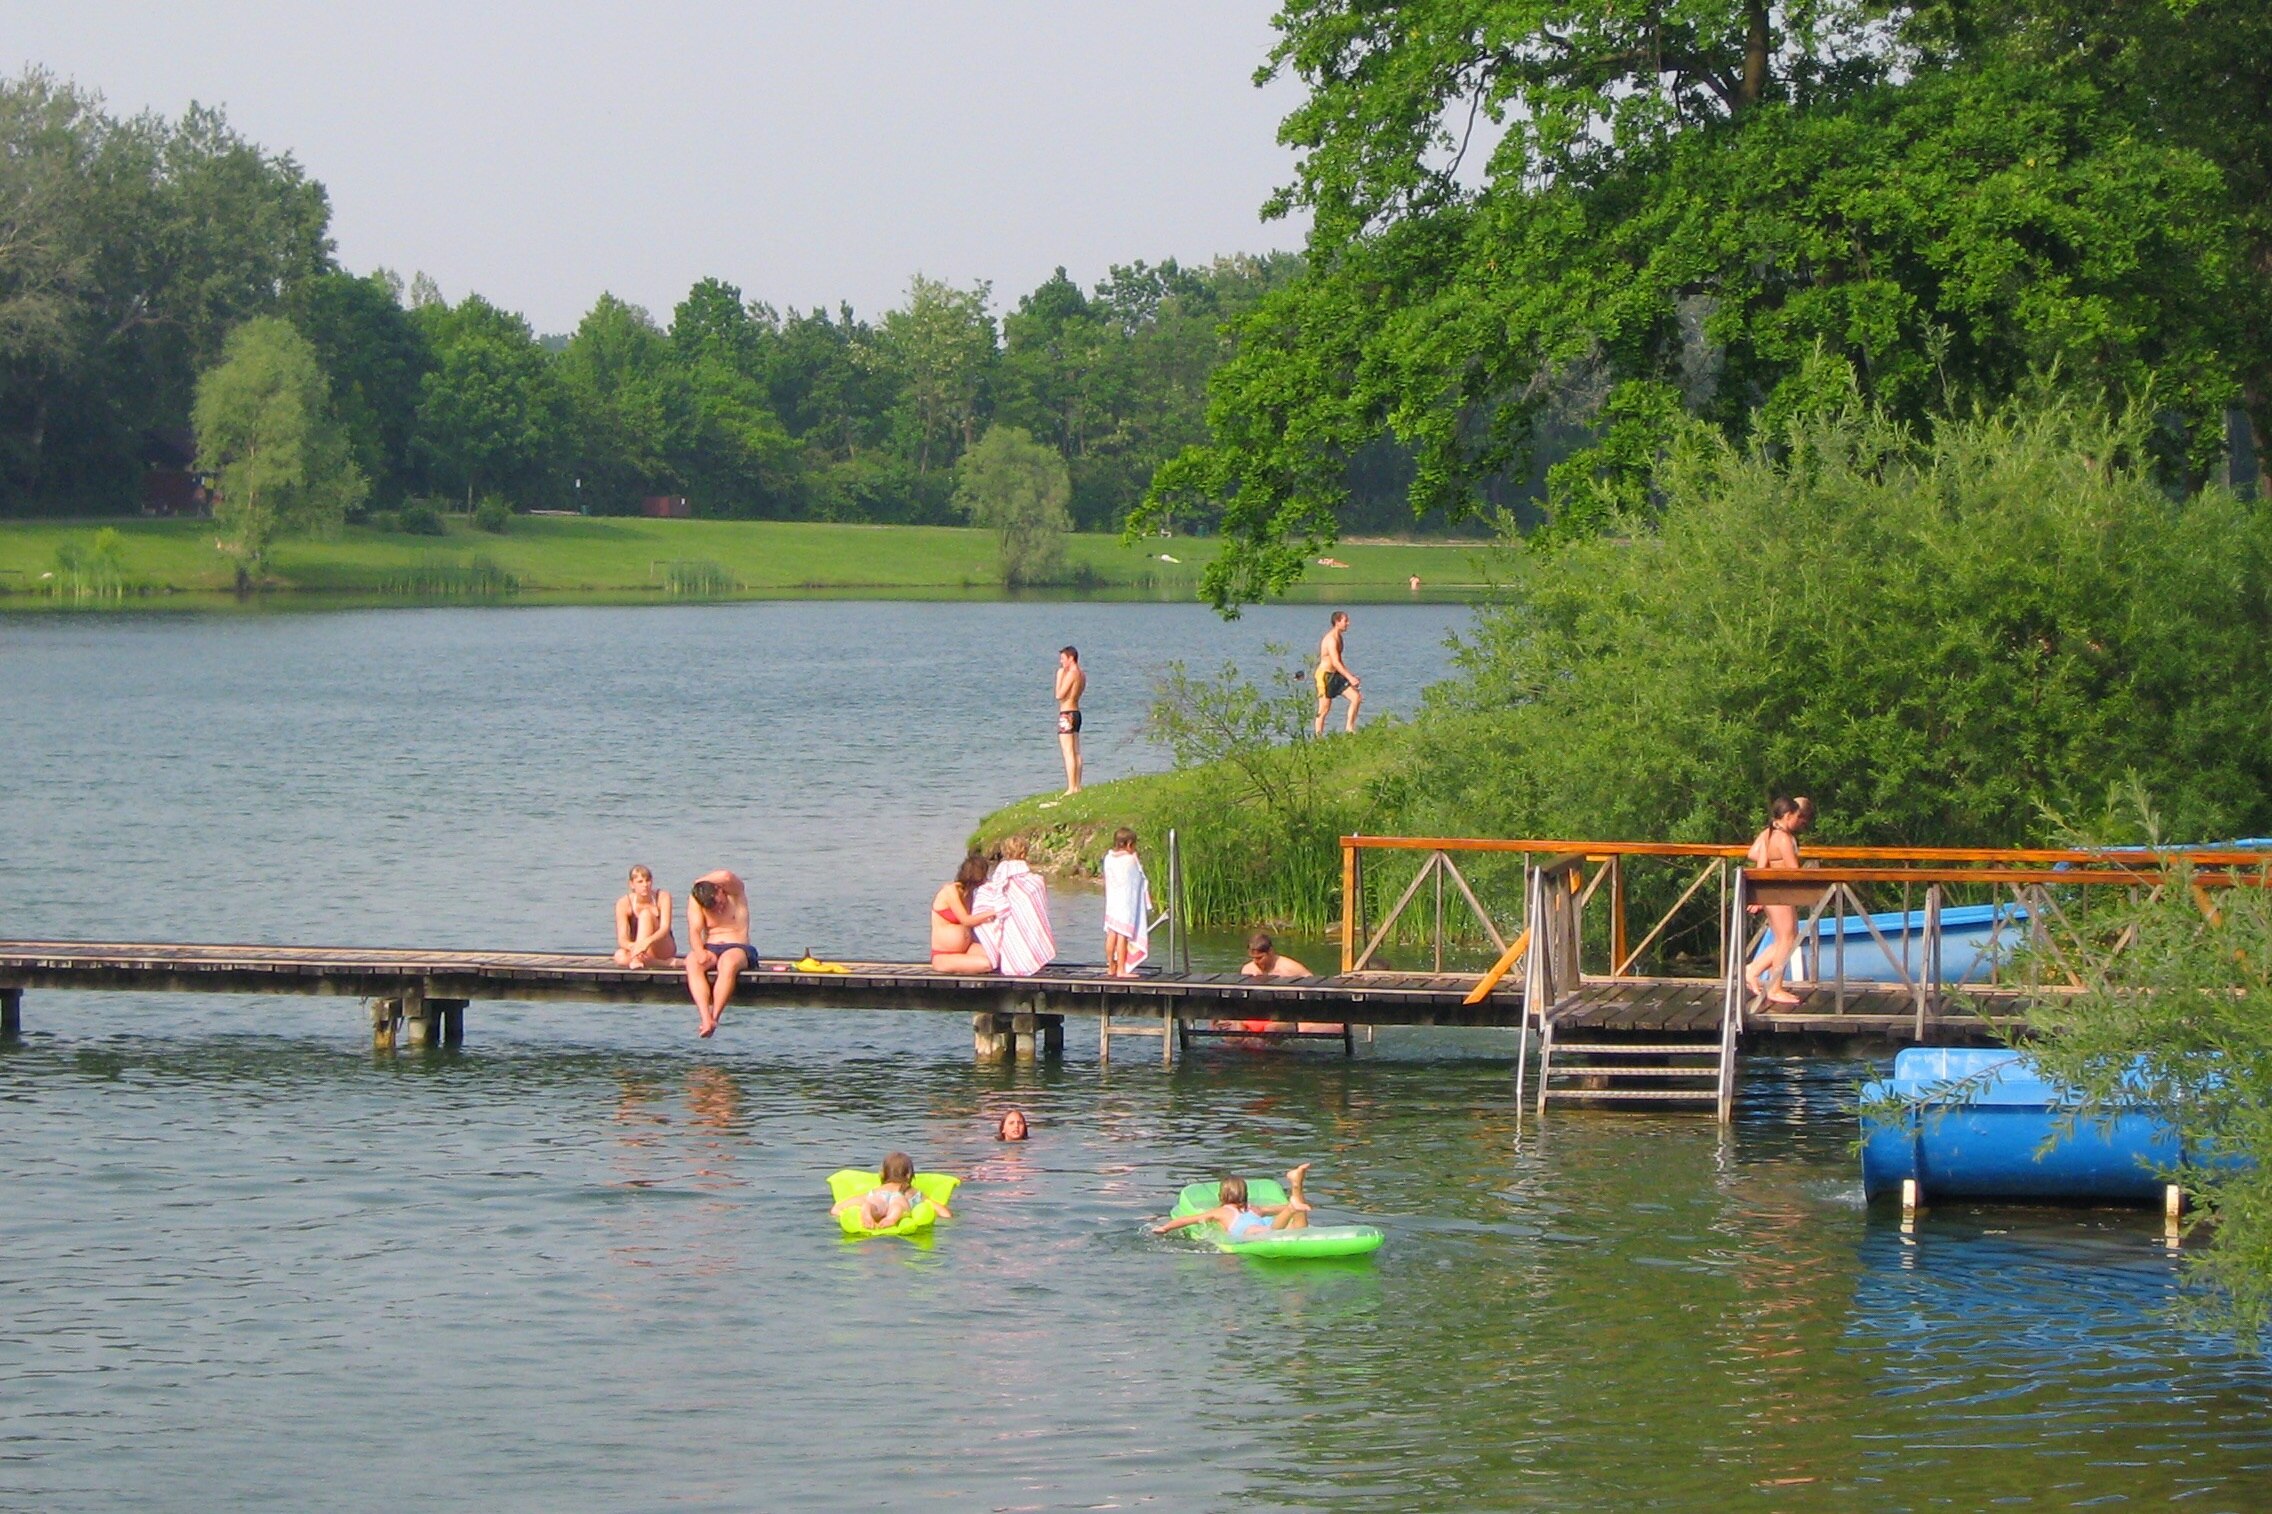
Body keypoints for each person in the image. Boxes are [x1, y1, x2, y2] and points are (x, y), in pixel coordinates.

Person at [1744, 799, 1808, 1006]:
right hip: (1780, 893)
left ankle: (1752, 970)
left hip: (1772, 892)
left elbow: (1755, 854)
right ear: (1788, 815)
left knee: (1783, 939)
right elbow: (1793, 870)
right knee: (1788, 939)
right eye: (1798, 817)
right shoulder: (1783, 838)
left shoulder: (1768, 834)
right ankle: (1775, 987)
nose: (1800, 822)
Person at [685, 869, 757, 1037]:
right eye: (712, 908)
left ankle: (715, 1017)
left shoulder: (735, 891)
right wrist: (699, 951)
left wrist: (698, 882)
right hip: (711, 946)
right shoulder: (697, 899)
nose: (718, 909)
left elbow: (726, 875)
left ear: (720, 890)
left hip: (738, 947)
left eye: (719, 903)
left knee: (727, 961)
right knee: (692, 961)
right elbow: (694, 931)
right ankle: (705, 1018)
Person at [1152, 1164, 1313, 1239]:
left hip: (1251, 1230)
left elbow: (1188, 1220)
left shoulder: (1221, 1212)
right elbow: (1278, 1208)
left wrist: (1165, 1228)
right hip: (1264, 1223)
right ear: (1245, 1193)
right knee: (1300, 1226)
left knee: (1271, 1232)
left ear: (1222, 1195)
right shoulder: (1254, 1208)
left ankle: (1293, 1207)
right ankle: (1296, 1185)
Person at [975, 837, 1057, 975]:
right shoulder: (1035, 883)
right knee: (1031, 927)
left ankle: (1009, 959)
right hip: (1029, 939)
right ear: (1024, 854)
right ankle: (1032, 959)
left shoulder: (996, 883)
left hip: (1007, 940)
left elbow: (982, 907)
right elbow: (1038, 916)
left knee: (1012, 929)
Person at [831, 1150, 950, 1229]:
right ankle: (892, 1218)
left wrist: (841, 1212)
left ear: (882, 1174)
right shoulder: (911, 1191)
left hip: (878, 1197)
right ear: (909, 1175)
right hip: (901, 1196)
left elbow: (836, 1209)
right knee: (898, 1205)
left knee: (871, 1204)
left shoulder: (876, 1190)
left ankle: (868, 1212)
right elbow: (944, 1213)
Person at [929, 852, 998, 975]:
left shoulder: (970, 894)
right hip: (944, 955)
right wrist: (993, 912)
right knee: (986, 964)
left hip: (967, 949)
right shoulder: (951, 891)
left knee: (999, 959)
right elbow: (966, 920)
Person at [1101, 826, 1150, 977]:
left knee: (1111, 934)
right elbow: (1139, 879)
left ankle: (1111, 967)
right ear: (1129, 844)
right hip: (1124, 904)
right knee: (1122, 935)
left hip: (1112, 902)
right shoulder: (1129, 860)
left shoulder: (1108, 858)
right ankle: (1121, 969)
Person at [613, 865, 679, 967]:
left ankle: (637, 959)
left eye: (647, 881)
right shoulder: (623, 903)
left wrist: (647, 942)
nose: (645, 885)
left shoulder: (662, 897)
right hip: (641, 950)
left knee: (646, 914)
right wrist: (636, 946)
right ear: (631, 884)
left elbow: (665, 929)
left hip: (662, 946)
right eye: (640, 882)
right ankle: (665, 964)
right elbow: (622, 940)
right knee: (619, 956)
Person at [1314, 612, 1361, 735]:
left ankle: (1349, 729)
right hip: (1325, 676)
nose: (1348, 623)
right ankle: (1318, 738)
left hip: (1336, 674)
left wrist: (1350, 676)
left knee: (1356, 698)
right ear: (1337, 622)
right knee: (1324, 708)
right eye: (1345, 621)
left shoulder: (1339, 637)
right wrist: (1350, 677)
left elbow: (1339, 661)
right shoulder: (1330, 639)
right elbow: (1335, 662)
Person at [1055, 646, 1086, 793]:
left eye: (1063, 659)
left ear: (1071, 658)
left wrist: (1060, 676)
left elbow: (1059, 695)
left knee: (1068, 752)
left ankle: (1071, 787)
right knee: (1076, 751)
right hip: (1076, 712)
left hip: (1067, 713)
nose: (1061, 662)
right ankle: (1077, 785)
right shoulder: (1082, 674)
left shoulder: (1071, 673)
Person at [1240, 932, 1311, 978]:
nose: (1256, 962)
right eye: (1253, 958)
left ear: (1270, 951)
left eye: (1260, 958)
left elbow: (1313, 984)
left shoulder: (1291, 969)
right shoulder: (1247, 970)